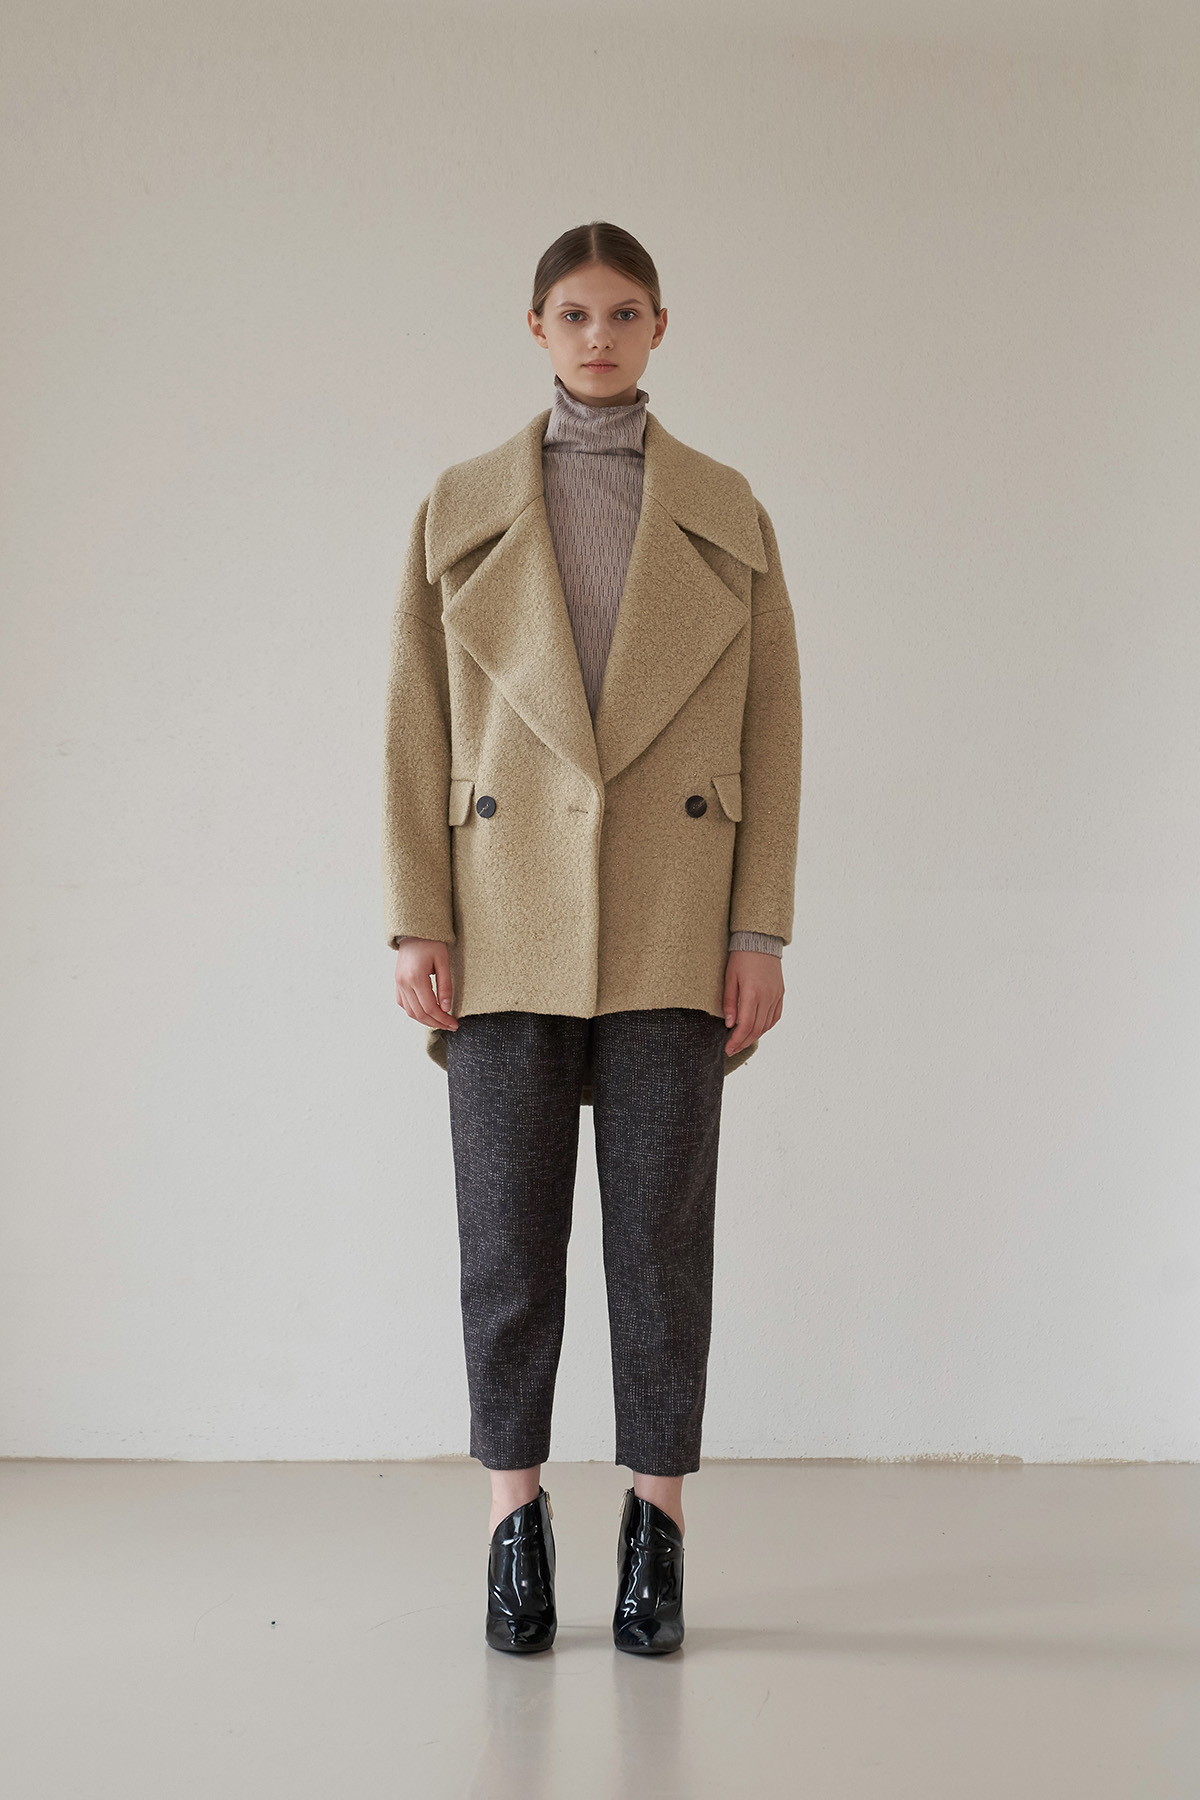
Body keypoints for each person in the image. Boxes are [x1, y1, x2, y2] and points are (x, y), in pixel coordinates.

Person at [382, 221, 802, 1655]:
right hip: (503, 920)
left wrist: (759, 928)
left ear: (660, 327)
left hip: (675, 920)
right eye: (575, 313)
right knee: (506, 1244)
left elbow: (773, 734)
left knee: (661, 1246)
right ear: (537, 327)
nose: (600, 336)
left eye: (625, 313)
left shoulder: (728, 511)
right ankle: (515, 1517)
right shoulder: (458, 509)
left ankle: (656, 1526)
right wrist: (417, 917)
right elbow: (413, 729)